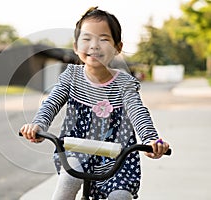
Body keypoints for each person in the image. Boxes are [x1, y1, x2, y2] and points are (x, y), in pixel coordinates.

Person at [20, 6, 170, 200]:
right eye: (87, 39)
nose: (94, 45)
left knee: (120, 196)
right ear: (76, 46)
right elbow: (51, 103)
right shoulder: (71, 77)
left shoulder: (124, 83)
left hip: (117, 156)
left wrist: (151, 140)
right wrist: (38, 125)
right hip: (76, 150)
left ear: (118, 47)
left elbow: (138, 112)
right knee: (69, 180)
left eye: (104, 39)